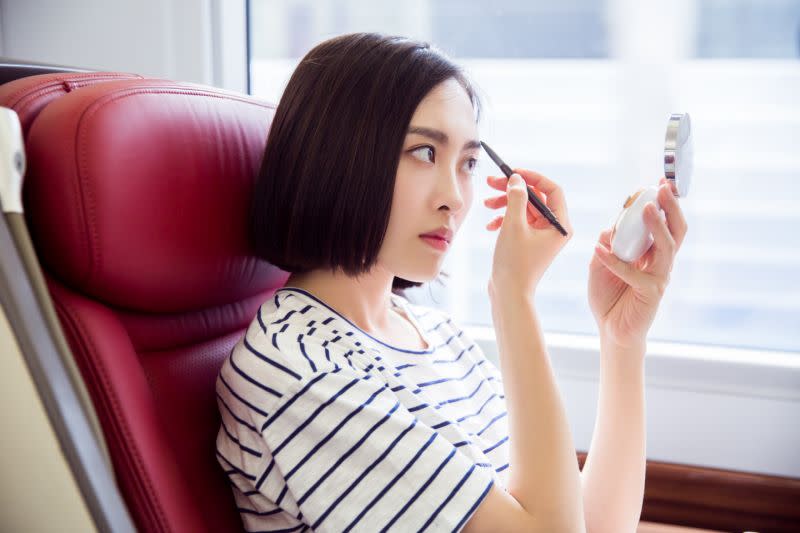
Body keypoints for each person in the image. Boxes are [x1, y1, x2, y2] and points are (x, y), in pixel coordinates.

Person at [215, 32, 687, 533]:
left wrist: (621, 339)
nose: (455, 198)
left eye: (466, 163)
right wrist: (512, 297)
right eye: (423, 153)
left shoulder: (440, 340)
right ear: (340, 156)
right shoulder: (299, 370)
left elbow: (589, 525)